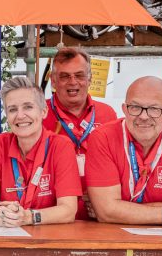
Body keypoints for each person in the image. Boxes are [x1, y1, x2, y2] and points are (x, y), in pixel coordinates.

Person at [85, 77, 162, 226]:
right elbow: (106, 211)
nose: (144, 116)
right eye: (135, 107)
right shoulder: (102, 138)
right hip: (110, 239)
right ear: (124, 109)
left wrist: (118, 209)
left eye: (154, 109)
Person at [0, 77, 79, 227]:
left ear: (43, 112)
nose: (20, 115)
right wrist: (0, 214)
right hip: (8, 236)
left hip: (48, 239)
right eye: (12, 109)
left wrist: (30, 217)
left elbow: (69, 210)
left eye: (28, 107)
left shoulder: (61, 146)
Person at [41, 47, 117, 218]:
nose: (73, 81)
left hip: (99, 212)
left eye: (80, 75)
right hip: (53, 212)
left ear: (90, 78)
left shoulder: (108, 114)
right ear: (53, 81)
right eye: (64, 76)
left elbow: (119, 162)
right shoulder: (38, 115)